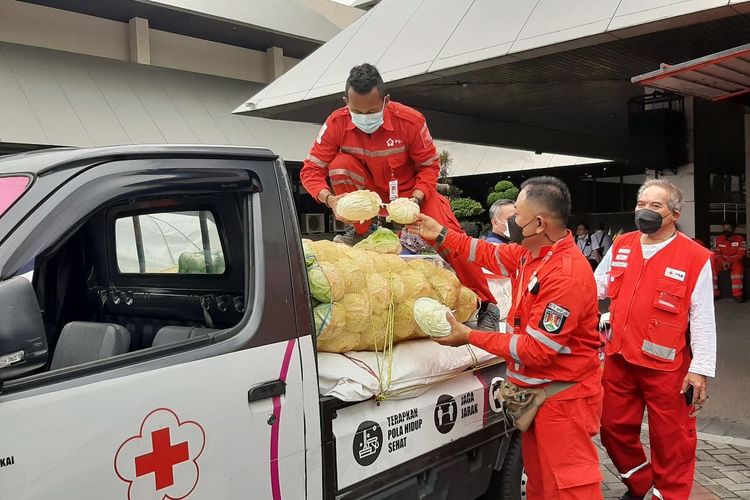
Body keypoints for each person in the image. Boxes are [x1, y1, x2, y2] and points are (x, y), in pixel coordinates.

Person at [407, 176, 604, 500]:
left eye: (518, 215)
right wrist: (440, 234)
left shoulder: (566, 275)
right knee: (540, 484)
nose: (511, 221)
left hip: (562, 399)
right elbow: (485, 253)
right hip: (536, 394)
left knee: (570, 487)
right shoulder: (531, 254)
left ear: (539, 223)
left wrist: (470, 335)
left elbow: (536, 350)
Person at [300, 63, 498, 329]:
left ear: (386, 101)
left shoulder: (410, 121)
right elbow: (311, 169)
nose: (364, 117)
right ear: (346, 102)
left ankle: (488, 305)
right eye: (356, 111)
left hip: (413, 196)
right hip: (371, 198)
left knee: (450, 239)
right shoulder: (336, 123)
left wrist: (415, 200)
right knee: (339, 165)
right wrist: (331, 200)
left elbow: (429, 166)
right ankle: (362, 229)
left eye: (372, 111)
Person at [594, 179, 716, 500]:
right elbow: (595, 288)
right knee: (611, 429)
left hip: (668, 370)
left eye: (655, 206)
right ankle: (640, 481)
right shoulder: (622, 245)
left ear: (674, 213)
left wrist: (700, 368)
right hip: (619, 360)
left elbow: (702, 316)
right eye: (641, 204)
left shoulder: (694, 257)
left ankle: (668, 495)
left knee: (672, 442)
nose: (644, 211)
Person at [712, 221, 746, 302]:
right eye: (725, 228)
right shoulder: (718, 239)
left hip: (735, 261)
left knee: (738, 269)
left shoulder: (740, 239)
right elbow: (716, 253)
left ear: (733, 229)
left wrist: (730, 261)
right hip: (721, 261)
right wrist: (723, 262)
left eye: (729, 228)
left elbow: (742, 253)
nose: (726, 230)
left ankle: (737, 294)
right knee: (712, 267)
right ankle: (715, 293)